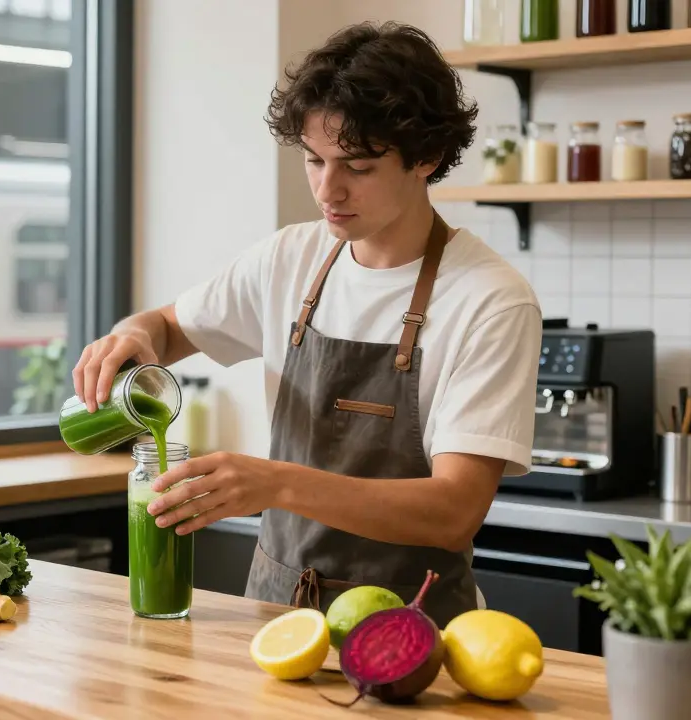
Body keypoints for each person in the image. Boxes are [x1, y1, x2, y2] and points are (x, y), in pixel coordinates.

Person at [71, 22, 542, 627]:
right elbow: (165, 325)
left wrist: (275, 484)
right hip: (274, 615)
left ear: (425, 156)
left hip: (414, 631)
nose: (328, 188)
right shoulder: (289, 259)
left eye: (358, 166)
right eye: (314, 160)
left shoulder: (490, 300)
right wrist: (136, 335)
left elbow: (453, 510)